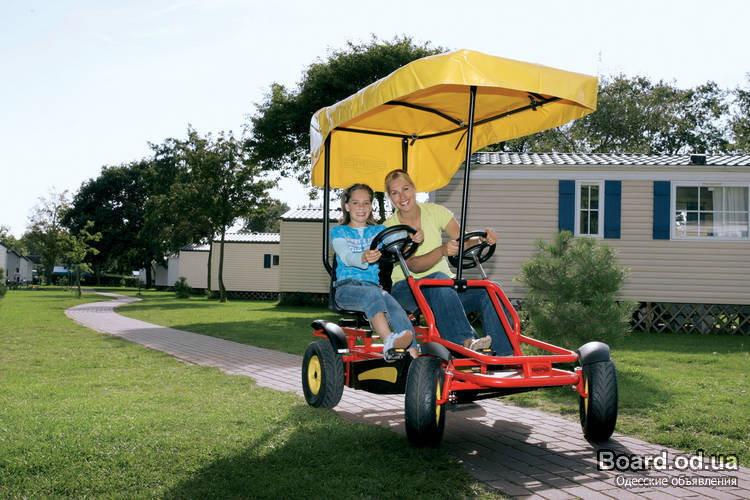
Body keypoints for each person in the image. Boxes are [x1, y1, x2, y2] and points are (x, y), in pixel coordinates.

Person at [383, 169, 514, 355]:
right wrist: (442, 251)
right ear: (389, 197)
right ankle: (465, 343)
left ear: (414, 188)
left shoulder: (435, 212)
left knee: (491, 289)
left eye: (405, 189)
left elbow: (463, 241)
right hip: (407, 289)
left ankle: (503, 357)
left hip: (444, 289)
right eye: (395, 193)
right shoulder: (390, 228)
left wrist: (481, 239)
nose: (402, 197)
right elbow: (413, 265)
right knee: (439, 280)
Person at [331, 183, 420, 361]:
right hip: (346, 288)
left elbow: (398, 237)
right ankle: (389, 342)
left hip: (373, 288)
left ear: (371, 207)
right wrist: (363, 257)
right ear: (347, 206)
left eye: (366, 203)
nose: (361, 208)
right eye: (356, 203)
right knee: (373, 294)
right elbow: (346, 256)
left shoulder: (378, 231)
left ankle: (415, 359)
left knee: (396, 308)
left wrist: (413, 236)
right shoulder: (339, 231)